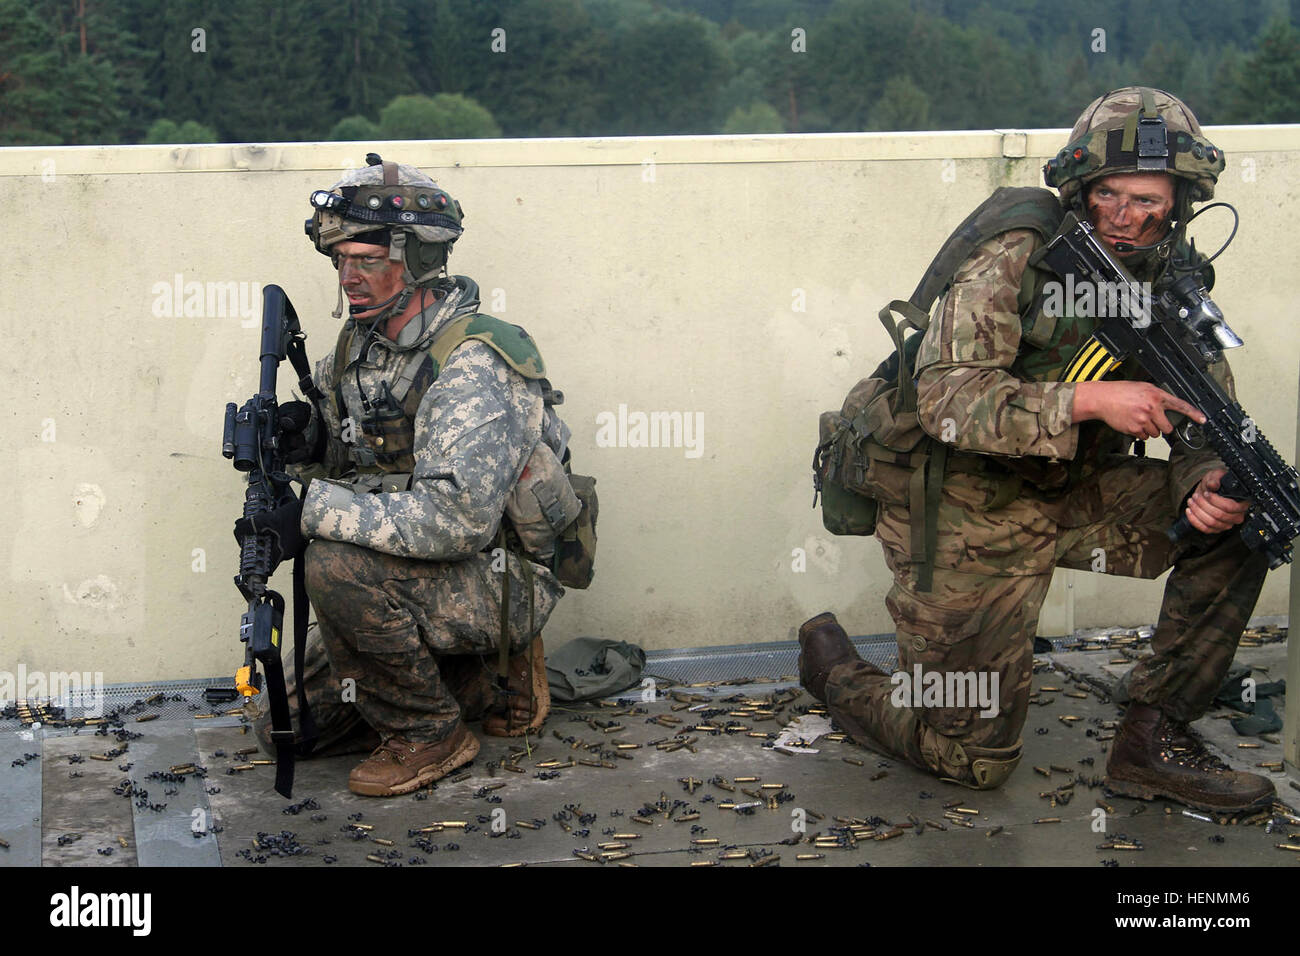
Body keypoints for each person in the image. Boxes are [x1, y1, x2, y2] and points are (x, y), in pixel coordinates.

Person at [799, 88, 1276, 811]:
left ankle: (1152, 741)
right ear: (1081, 186)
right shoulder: (1021, 250)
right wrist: (1091, 401)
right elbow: (948, 400)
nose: (1123, 216)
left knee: (1249, 517)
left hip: (1066, 487)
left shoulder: (1169, 275)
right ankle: (833, 669)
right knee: (972, 759)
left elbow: (1203, 415)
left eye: (1146, 200)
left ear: (1180, 200)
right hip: (958, 498)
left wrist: (1204, 480)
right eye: (1108, 194)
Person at [240, 156, 576, 796]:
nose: (349, 276)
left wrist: (310, 512)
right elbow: (360, 464)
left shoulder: (475, 360)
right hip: (421, 574)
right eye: (341, 260)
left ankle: (431, 734)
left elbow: (456, 521)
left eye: (368, 259)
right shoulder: (360, 346)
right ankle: (474, 679)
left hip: (499, 577)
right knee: (287, 729)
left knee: (333, 567)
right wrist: (306, 438)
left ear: (419, 259)